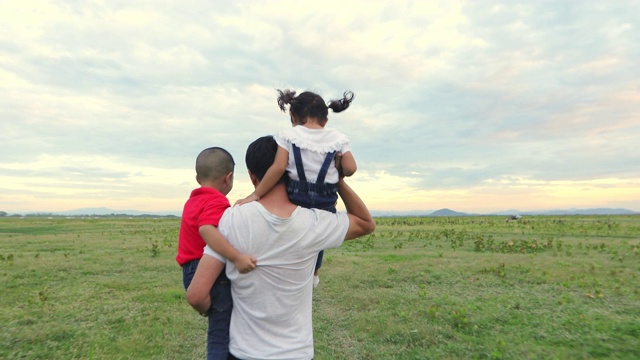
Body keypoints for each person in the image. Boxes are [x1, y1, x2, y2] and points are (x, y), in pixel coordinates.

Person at [187, 135, 375, 360]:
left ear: (252, 176)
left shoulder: (231, 219)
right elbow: (365, 223)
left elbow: (197, 295)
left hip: (244, 352)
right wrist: (337, 181)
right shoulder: (313, 222)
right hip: (296, 353)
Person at [236, 89, 357, 287]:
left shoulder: (288, 136)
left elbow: (278, 167)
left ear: (293, 117)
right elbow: (351, 168)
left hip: (296, 196)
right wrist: (339, 169)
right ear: (325, 120)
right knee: (317, 238)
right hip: (325, 199)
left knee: (291, 229)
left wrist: (256, 194)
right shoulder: (339, 138)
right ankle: (314, 272)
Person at [176, 147, 257, 360]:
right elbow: (206, 229)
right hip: (209, 273)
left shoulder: (192, 200)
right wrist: (236, 257)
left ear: (197, 178)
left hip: (190, 272)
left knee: (219, 328)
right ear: (228, 178)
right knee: (220, 334)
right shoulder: (217, 200)